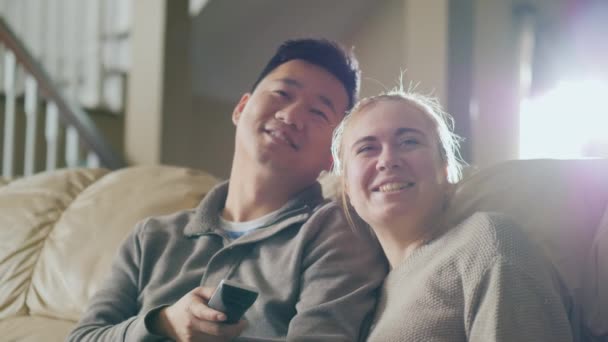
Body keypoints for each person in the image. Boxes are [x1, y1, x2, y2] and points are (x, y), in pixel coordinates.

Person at [68, 38, 387, 341]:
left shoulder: (339, 232)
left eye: (318, 112)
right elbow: (83, 337)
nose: (291, 116)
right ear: (241, 108)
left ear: (334, 156)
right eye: (282, 93)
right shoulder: (151, 237)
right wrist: (164, 323)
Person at [330, 88, 576, 341]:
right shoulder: (362, 296)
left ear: (446, 171)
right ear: (347, 186)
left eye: (409, 142)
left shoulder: (485, 241)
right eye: (367, 148)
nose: (388, 160)